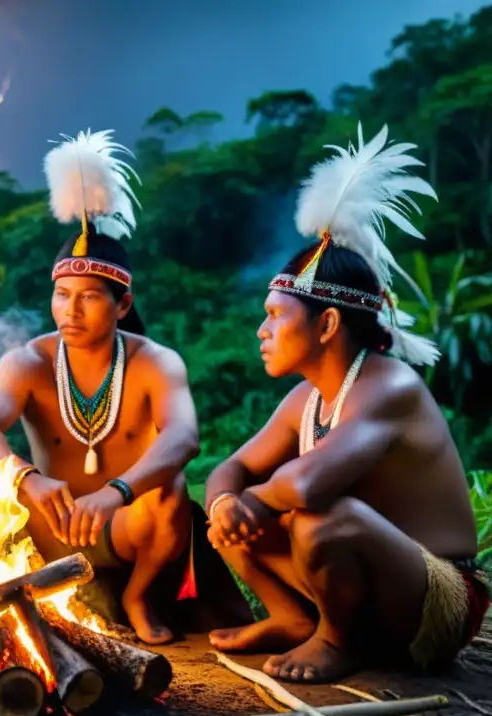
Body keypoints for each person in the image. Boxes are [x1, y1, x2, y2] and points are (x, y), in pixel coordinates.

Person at [205, 123, 489, 683]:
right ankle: (292, 619)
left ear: (328, 323)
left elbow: (309, 486)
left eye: (275, 317)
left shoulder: (391, 387)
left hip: (439, 602)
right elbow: (230, 468)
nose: (261, 331)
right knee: (230, 510)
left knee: (318, 516)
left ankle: (338, 640)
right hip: (382, 591)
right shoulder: (305, 399)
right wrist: (224, 505)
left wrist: (253, 502)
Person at [0, 130, 252, 644]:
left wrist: (117, 492)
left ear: (121, 305)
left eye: (89, 297)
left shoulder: (155, 362)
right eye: (61, 295)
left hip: (125, 526)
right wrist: (29, 480)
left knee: (172, 492)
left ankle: (139, 597)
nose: (70, 310)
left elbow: (183, 438)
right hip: (48, 525)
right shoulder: (27, 361)